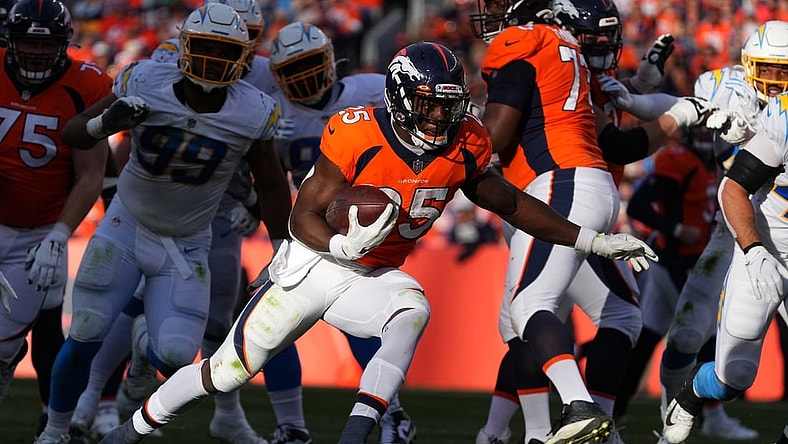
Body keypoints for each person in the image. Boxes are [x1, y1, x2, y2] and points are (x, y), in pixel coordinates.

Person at [96, 41, 656, 444]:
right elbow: (302, 216)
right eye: (431, 103)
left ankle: (359, 430)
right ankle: (135, 426)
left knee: (413, 308)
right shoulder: (358, 131)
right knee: (226, 371)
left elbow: (510, 203)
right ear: (400, 96)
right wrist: (339, 248)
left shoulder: (464, 142)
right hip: (313, 264)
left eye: (449, 103)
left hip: (372, 273)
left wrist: (593, 240)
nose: (442, 115)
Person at [33, 3, 292, 443]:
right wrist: (104, 123)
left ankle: (140, 351)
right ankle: (55, 432)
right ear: (184, 48)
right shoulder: (146, 81)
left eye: (224, 51)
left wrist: (284, 248)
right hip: (126, 227)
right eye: (205, 48)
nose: (212, 60)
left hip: (189, 241)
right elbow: (73, 133)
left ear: (244, 58)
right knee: (86, 332)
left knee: (174, 356)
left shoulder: (252, 110)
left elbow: (270, 185)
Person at [469, 1, 710, 443]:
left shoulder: (527, 43)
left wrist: (450, 151)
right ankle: (527, 430)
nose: (598, 45)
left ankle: (567, 419)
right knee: (581, 315)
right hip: (568, 193)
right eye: (592, 36)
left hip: (552, 191)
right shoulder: (569, 56)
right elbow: (613, 117)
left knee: (530, 312)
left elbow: (614, 138)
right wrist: (653, 95)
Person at [656, 20, 788, 443]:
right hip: (754, 236)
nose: (778, 82)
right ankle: (689, 395)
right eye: (771, 70)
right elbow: (734, 188)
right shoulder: (770, 112)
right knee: (735, 371)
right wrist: (754, 250)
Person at [0, 0, 111, 430]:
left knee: (6, 346)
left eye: (45, 45)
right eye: (27, 41)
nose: (36, 52)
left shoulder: (87, 84)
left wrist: (58, 236)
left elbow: (90, 174)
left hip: (39, 229)